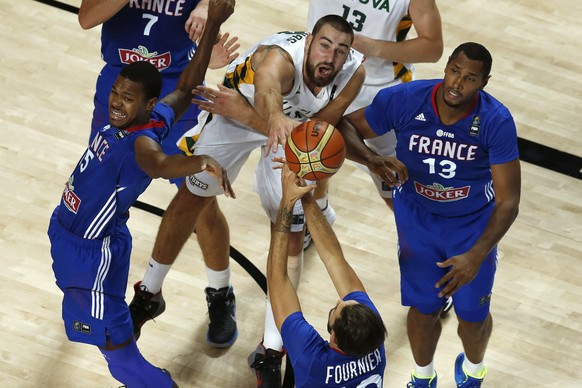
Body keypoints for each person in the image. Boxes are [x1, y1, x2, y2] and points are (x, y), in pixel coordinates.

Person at [128, 15, 365, 387]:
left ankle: (271, 350)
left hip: (277, 128)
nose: (331, 57)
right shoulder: (278, 60)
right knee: (193, 196)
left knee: (288, 229)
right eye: (324, 45)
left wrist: (371, 159)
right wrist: (265, 117)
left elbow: (316, 134)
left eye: (340, 50)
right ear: (308, 42)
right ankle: (149, 293)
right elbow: (269, 94)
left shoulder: (354, 73)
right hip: (236, 111)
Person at [47, 1, 235, 386]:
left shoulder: (141, 143)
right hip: (84, 237)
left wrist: (201, 162)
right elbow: (184, 88)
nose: (116, 102)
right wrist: (214, 22)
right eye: (115, 92)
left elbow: (160, 165)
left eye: (126, 98)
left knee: (119, 354)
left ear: (147, 104)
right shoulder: (147, 117)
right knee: (110, 338)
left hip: (90, 251)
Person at [345, 42, 521, 387]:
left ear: (484, 83)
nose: (458, 82)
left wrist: (475, 255)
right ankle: (422, 377)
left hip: (471, 228)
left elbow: (509, 202)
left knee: (472, 317)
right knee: (424, 309)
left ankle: (473, 371)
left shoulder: (496, 121)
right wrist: (372, 159)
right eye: (455, 70)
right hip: (417, 221)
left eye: (470, 78)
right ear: (446, 67)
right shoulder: (407, 99)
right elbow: (346, 127)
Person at [303, 0, 443, 249]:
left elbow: (433, 48)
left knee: (396, 178)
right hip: (320, 74)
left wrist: (373, 47)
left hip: (379, 90)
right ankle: (318, 210)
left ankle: (428, 246)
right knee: (314, 147)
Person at [78, 0, 240, 187]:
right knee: (100, 176)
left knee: (198, 185)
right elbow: (86, 19)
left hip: (179, 83)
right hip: (121, 81)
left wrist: (205, 7)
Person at [265, 160, 387, 387]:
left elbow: (277, 279)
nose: (341, 298)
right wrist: (305, 197)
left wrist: (287, 203)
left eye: (336, 309)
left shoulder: (313, 361)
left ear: (333, 338)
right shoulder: (372, 339)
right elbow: (333, 258)